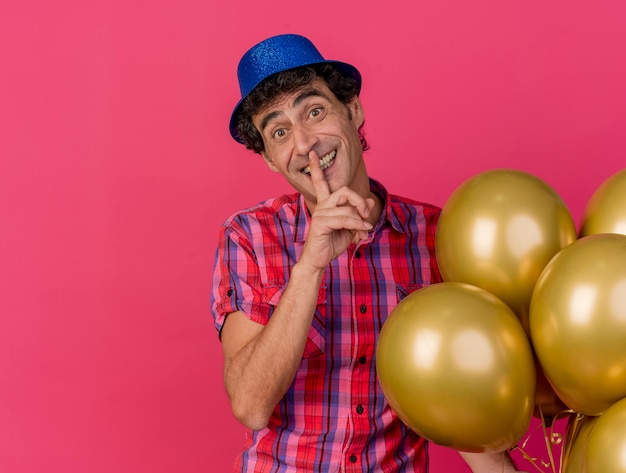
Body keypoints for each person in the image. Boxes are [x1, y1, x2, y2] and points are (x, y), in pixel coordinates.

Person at [211, 34, 528, 472]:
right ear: (269, 158)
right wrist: (311, 264)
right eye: (279, 132)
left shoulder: (435, 235)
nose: (304, 144)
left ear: (353, 111)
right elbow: (250, 404)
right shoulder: (249, 235)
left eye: (314, 112)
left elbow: (457, 393)